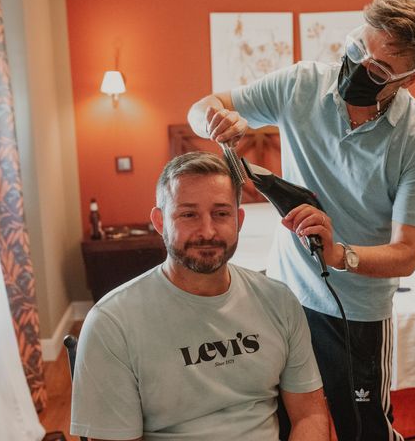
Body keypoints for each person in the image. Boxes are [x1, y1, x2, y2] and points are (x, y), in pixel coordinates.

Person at [188, 0, 415, 440]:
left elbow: (407, 254)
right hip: (285, 296)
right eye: (356, 48)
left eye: (380, 69)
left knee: (364, 428)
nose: (359, 67)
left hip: (358, 313)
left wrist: (339, 255)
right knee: (287, 420)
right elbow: (202, 105)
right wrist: (214, 120)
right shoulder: (300, 85)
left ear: (411, 77)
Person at [70, 152, 329, 441]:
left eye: (221, 214)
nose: (207, 231)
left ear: (239, 220)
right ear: (159, 221)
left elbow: (310, 413)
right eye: (188, 214)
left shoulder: (279, 301)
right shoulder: (112, 323)